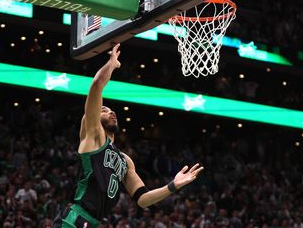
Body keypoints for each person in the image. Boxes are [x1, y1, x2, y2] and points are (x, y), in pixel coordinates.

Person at [53, 44, 204, 228]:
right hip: (75, 218)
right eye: (104, 110)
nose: (111, 112)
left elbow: (143, 199)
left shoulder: (125, 161)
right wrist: (111, 64)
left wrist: (173, 185)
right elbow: (96, 85)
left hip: (93, 223)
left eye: (112, 110)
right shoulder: (93, 136)